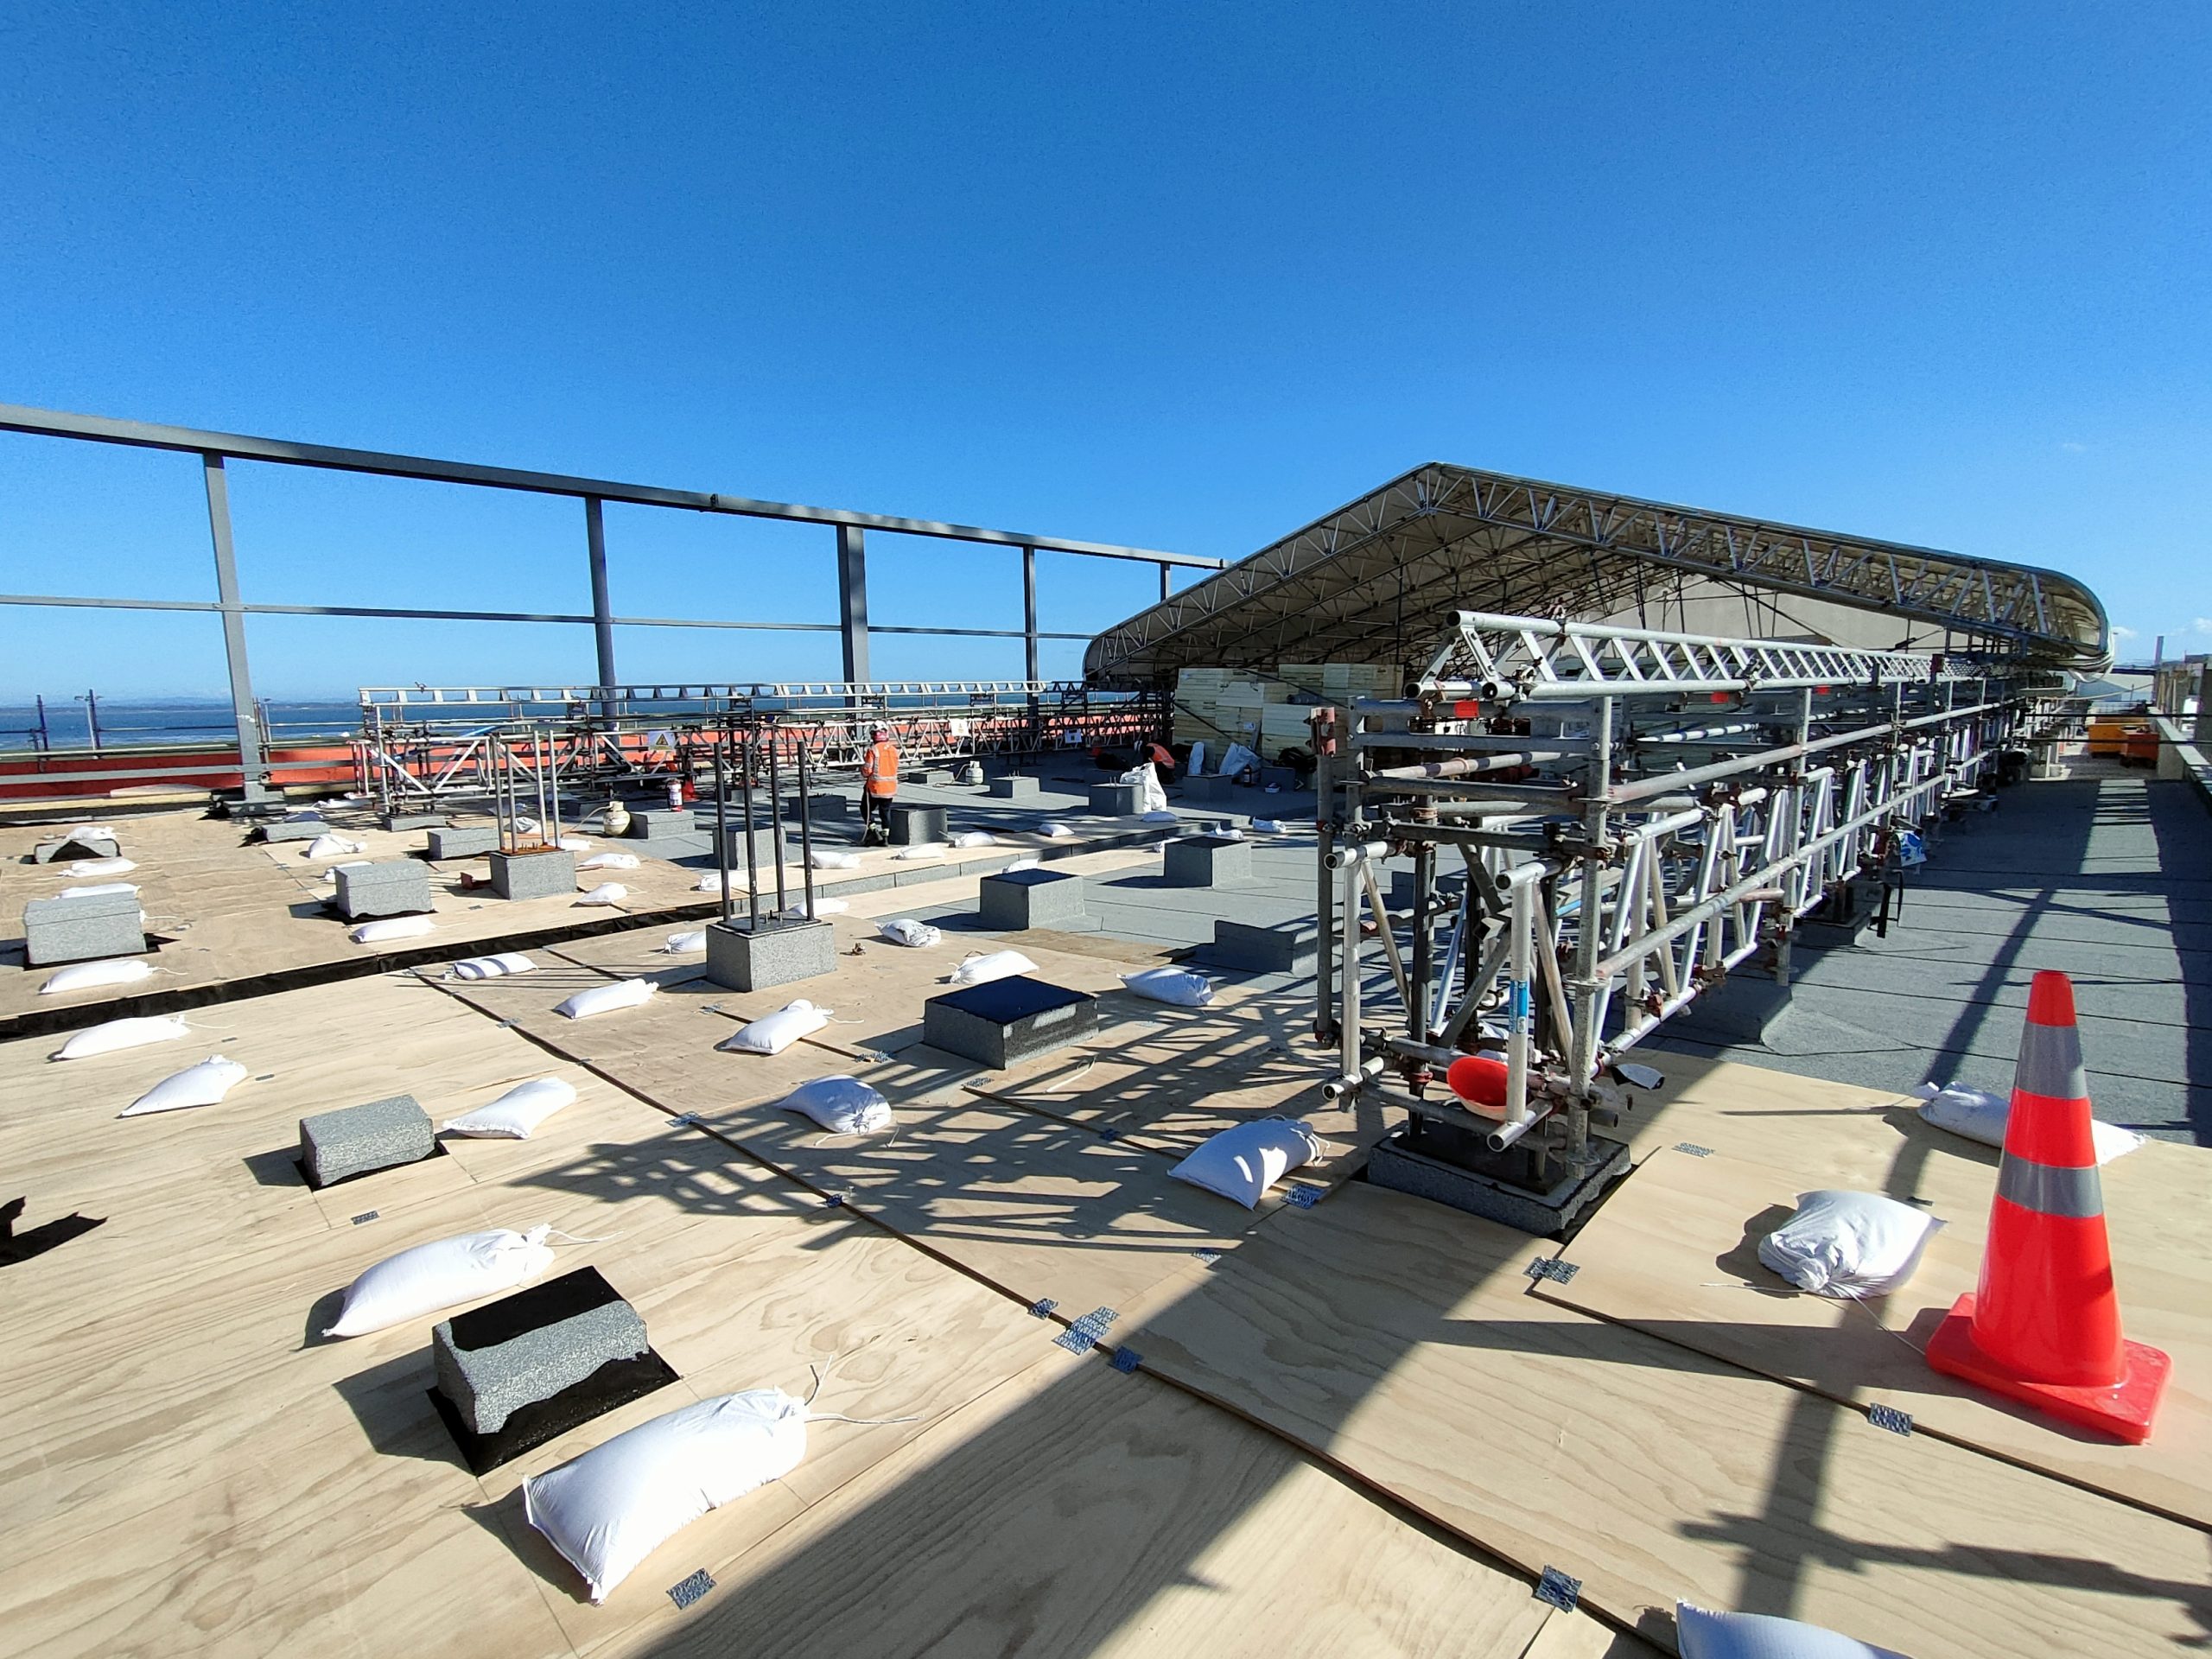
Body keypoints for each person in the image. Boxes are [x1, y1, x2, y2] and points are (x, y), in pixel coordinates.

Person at [861, 724, 899, 843]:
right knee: (885, 811)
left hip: (875, 787)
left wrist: (862, 771)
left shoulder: (873, 750)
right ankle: (885, 838)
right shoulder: (894, 750)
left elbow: (867, 770)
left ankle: (873, 831)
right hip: (890, 787)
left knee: (865, 809)